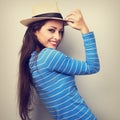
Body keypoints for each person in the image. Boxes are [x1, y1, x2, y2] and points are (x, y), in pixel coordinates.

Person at [18, 0, 100, 120]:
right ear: (35, 31)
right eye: (51, 30)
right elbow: (93, 67)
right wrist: (84, 29)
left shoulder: (31, 60)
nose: (58, 37)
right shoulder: (49, 56)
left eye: (60, 31)